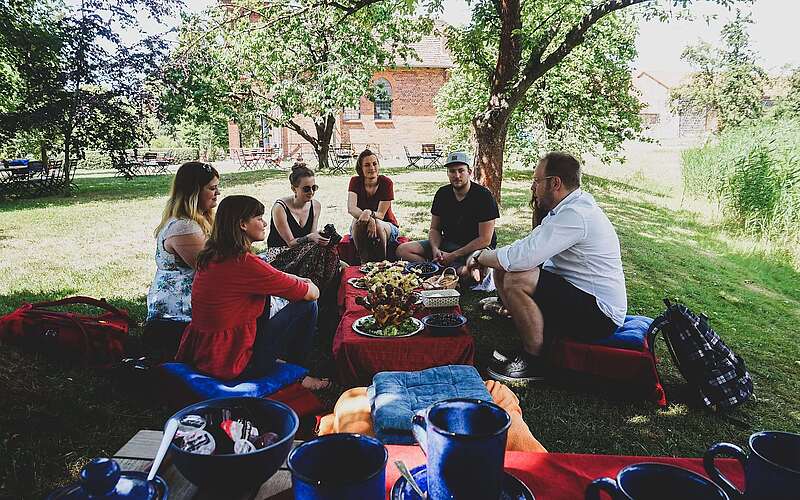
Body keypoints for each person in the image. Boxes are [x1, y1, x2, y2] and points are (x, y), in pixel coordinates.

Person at [466, 152, 627, 382]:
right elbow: (527, 247)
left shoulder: (575, 214)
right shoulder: (568, 208)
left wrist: (480, 255)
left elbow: (522, 258)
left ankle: (535, 362)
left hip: (601, 315)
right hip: (582, 295)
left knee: (516, 278)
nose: (533, 187)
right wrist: (490, 257)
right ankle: (519, 317)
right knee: (506, 268)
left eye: (536, 181)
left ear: (555, 183)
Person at [175, 195, 329, 390]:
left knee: (265, 298)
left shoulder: (213, 255)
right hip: (233, 361)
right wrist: (309, 284)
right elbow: (310, 294)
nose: (264, 223)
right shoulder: (244, 263)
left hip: (204, 353)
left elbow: (273, 275)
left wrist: (297, 280)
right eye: (258, 218)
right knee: (307, 306)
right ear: (242, 224)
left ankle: (286, 367)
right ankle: (297, 373)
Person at [143, 161, 219, 360]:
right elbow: (213, 271)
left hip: (190, 303)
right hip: (178, 312)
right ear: (194, 192)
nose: (217, 193)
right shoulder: (185, 227)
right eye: (212, 188)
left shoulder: (197, 221)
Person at [396, 151, 499, 281]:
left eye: (461, 170)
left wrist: (454, 255)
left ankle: (443, 270)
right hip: (447, 243)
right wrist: (435, 249)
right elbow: (435, 229)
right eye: (452, 171)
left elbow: (485, 239)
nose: (457, 175)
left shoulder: (483, 196)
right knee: (403, 250)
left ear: (470, 172)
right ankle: (442, 270)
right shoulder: (442, 194)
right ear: (447, 173)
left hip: (475, 247)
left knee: (473, 271)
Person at [264, 163, 340, 292]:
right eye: (306, 189)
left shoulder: (315, 206)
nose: (311, 192)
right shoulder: (280, 207)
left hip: (304, 251)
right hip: (280, 253)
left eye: (314, 188)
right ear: (294, 189)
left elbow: (312, 239)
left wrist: (321, 237)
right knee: (317, 250)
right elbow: (291, 243)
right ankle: (314, 291)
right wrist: (312, 237)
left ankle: (323, 293)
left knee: (327, 248)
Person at [347, 149, 400, 262]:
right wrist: (369, 218)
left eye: (374, 163)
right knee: (357, 223)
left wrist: (369, 214)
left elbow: (380, 214)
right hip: (362, 222)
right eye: (367, 165)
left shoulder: (386, 182)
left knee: (378, 224)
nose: (372, 168)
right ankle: (364, 262)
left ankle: (382, 263)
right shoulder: (355, 181)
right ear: (360, 168)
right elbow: (351, 208)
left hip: (387, 225)